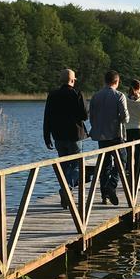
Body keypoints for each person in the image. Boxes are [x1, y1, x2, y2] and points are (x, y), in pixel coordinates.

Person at [42, 68, 89, 207]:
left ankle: (67, 193)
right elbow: (84, 116)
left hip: (58, 136)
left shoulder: (52, 95)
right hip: (75, 136)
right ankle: (66, 189)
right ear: (72, 80)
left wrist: (46, 136)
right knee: (76, 166)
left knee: (64, 167)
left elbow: (47, 117)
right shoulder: (77, 94)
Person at [88, 70, 129, 205]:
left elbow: (91, 117)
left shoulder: (95, 96)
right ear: (116, 82)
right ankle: (111, 185)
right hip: (116, 136)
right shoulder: (119, 96)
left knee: (104, 165)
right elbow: (125, 117)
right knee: (122, 161)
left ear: (105, 81)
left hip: (101, 136)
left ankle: (104, 196)